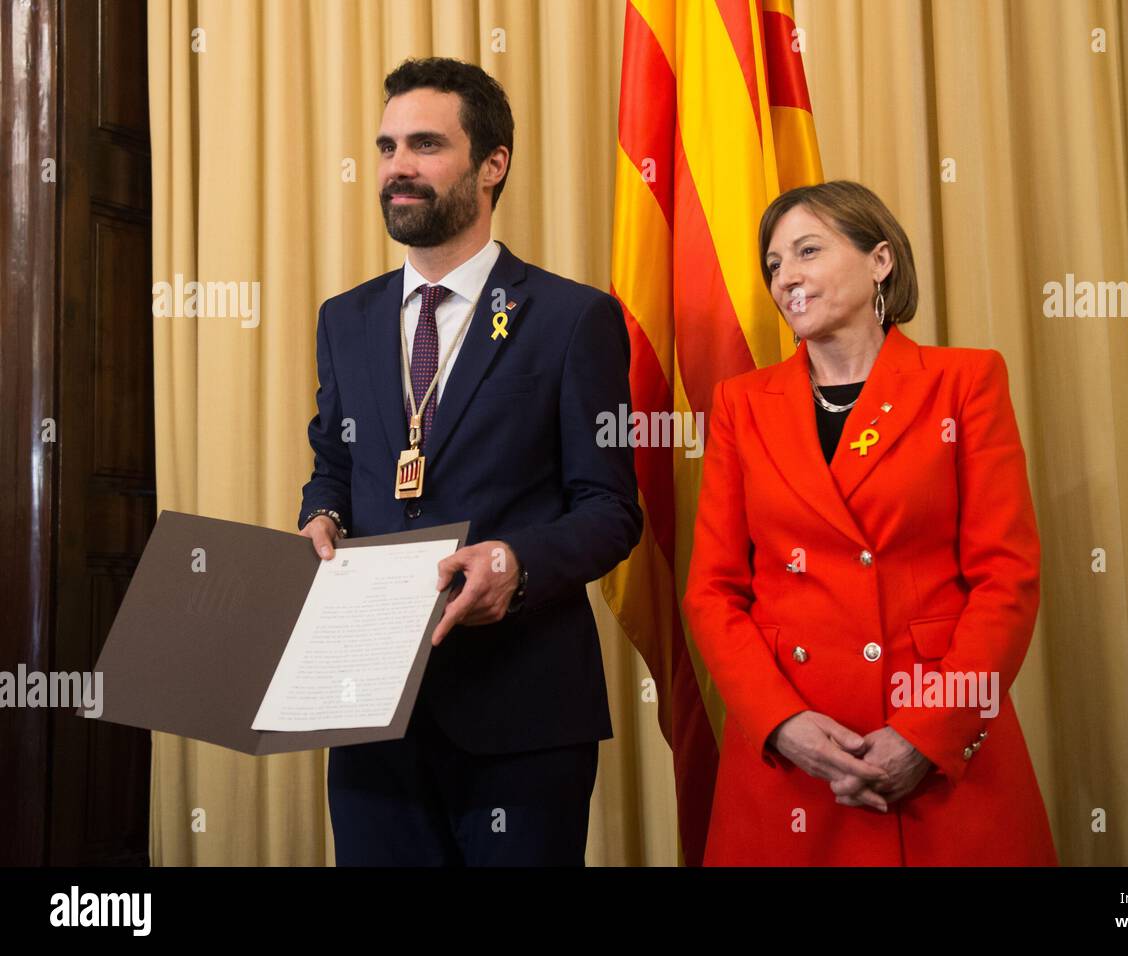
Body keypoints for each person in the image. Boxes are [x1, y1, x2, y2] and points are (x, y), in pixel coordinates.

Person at [297, 57, 641, 866]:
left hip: (522, 720)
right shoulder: (345, 319)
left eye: (424, 144)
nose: (397, 168)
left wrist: (514, 561)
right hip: (370, 711)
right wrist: (322, 514)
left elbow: (610, 509)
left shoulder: (573, 319)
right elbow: (334, 465)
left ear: (493, 165)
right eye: (386, 148)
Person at [683, 181, 1057, 865]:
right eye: (774, 264)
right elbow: (712, 591)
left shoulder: (965, 382)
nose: (785, 277)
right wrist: (781, 723)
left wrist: (926, 736)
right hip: (793, 765)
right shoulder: (742, 405)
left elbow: (1006, 578)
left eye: (807, 251)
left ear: (879, 260)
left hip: (936, 759)